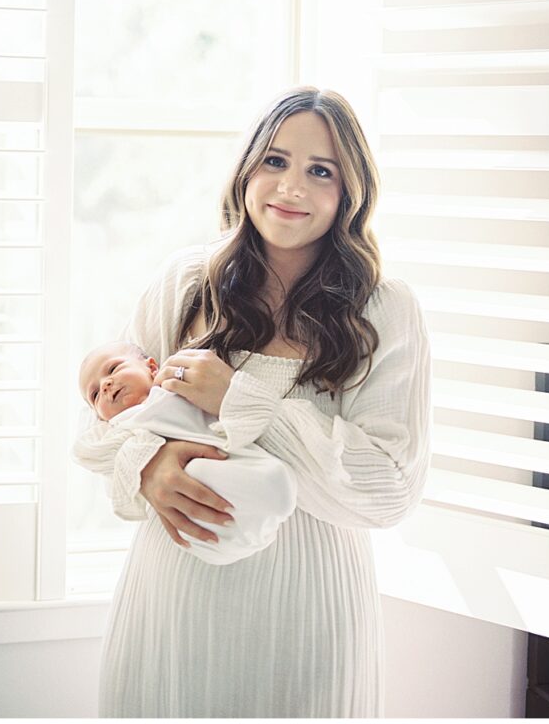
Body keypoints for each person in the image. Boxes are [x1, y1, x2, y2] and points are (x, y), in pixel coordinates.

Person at [75, 86, 431, 718]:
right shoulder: (189, 282)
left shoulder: (383, 309)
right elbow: (107, 423)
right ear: (246, 169)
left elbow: (389, 489)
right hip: (176, 594)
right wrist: (149, 468)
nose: (291, 187)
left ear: (350, 193)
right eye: (275, 160)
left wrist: (241, 400)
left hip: (311, 605)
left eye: (320, 171)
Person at [73, 340, 297, 564]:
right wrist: (143, 460)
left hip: (226, 459)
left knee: (268, 477)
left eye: (113, 369)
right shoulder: (119, 428)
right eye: (94, 395)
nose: (105, 385)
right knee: (200, 477)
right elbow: (86, 451)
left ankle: (266, 502)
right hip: (191, 506)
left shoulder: (173, 387)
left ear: (151, 368)